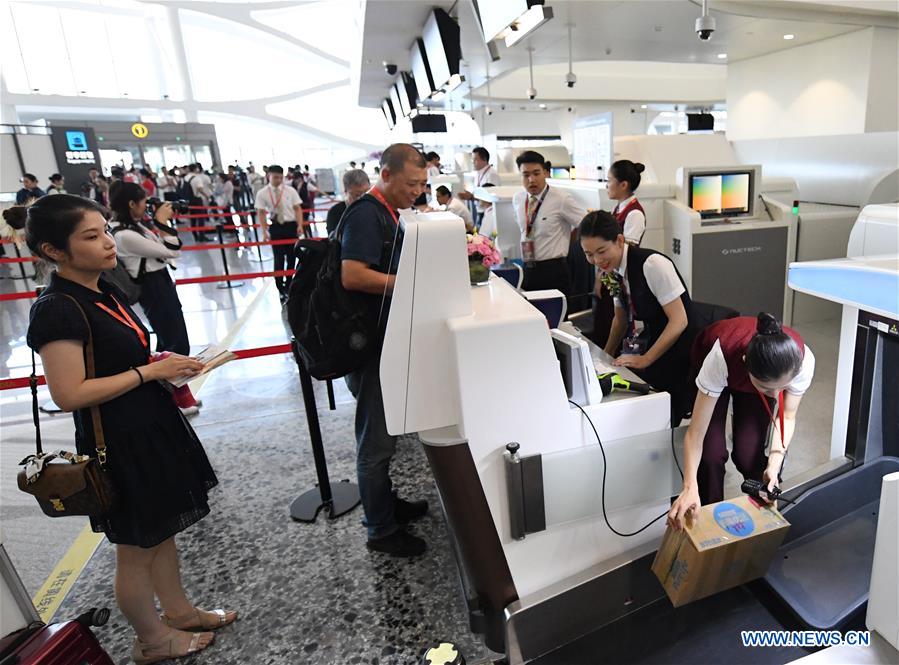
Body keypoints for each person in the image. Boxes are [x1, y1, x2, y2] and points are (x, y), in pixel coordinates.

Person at [22, 194, 235, 664]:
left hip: (149, 425)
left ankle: (177, 612)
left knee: (162, 533)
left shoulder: (103, 289)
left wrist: (162, 364)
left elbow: (121, 356)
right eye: (91, 236)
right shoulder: (58, 307)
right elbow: (69, 392)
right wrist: (148, 374)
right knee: (136, 549)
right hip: (117, 440)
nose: (107, 243)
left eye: (105, 231)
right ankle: (153, 641)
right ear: (54, 250)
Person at [341, 143, 429, 557]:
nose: (417, 190)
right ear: (387, 175)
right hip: (368, 347)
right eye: (411, 183)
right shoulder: (364, 213)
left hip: (383, 341)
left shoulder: (390, 212)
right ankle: (379, 528)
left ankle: (386, 505)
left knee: (387, 433)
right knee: (375, 442)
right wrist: (409, 283)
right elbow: (353, 275)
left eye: (423, 184)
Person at [668, 313, 816, 529]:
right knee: (711, 455)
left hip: (760, 375)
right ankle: (707, 521)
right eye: (769, 389)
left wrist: (774, 465)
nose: (776, 395)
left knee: (749, 455)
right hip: (721, 366)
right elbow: (695, 433)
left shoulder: (802, 362)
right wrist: (689, 486)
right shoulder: (719, 357)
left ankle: (763, 515)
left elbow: (787, 416)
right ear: (746, 364)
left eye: (783, 388)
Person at [579, 211, 697, 424]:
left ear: (620, 240)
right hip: (654, 342)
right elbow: (620, 318)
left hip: (679, 350)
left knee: (647, 408)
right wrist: (603, 357)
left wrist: (646, 359)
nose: (596, 260)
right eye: (588, 254)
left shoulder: (652, 264)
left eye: (601, 251)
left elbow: (680, 321)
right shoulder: (614, 269)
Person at [108, 182, 192, 363]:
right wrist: (162, 221)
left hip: (158, 281)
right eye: (143, 202)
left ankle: (165, 383)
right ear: (131, 204)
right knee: (176, 342)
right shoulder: (125, 234)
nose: (145, 206)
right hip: (153, 285)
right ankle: (172, 384)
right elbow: (172, 250)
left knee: (166, 335)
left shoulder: (130, 227)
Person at [591, 160, 648, 347]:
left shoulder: (634, 214)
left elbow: (626, 251)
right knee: (604, 327)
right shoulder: (618, 208)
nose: (607, 185)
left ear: (623, 184)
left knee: (619, 328)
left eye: (609, 180)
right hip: (611, 277)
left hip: (621, 280)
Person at [513, 150, 587, 293]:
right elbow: (524, 228)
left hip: (553, 270)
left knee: (556, 314)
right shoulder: (518, 198)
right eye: (526, 175)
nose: (531, 180)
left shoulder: (561, 198)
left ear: (546, 173)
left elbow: (585, 224)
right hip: (527, 267)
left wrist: (568, 241)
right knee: (532, 314)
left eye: (536, 173)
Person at [255, 165, 303, 302]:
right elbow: (261, 213)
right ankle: (280, 287)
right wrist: (264, 231)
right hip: (276, 227)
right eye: (275, 177)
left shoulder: (290, 190)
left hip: (290, 226)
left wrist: (300, 225)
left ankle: (289, 284)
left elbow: (297, 208)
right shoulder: (262, 193)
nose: (278, 180)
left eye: (281, 177)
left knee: (292, 257)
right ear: (268, 176)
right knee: (279, 258)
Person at [457, 146, 500, 226]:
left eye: (475, 159)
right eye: (472, 160)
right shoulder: (478, 174)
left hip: (488, 212)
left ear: (484, 159)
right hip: (479, 210)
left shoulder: (492, 174)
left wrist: (471, 197)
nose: (473, 162)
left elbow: (491, 197)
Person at [326, 169, 371, 236]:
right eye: (357, 195)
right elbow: (333, 240)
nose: (362, 199)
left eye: (366, 193)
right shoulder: (335, 212)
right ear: (346, 191)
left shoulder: (374, 208)